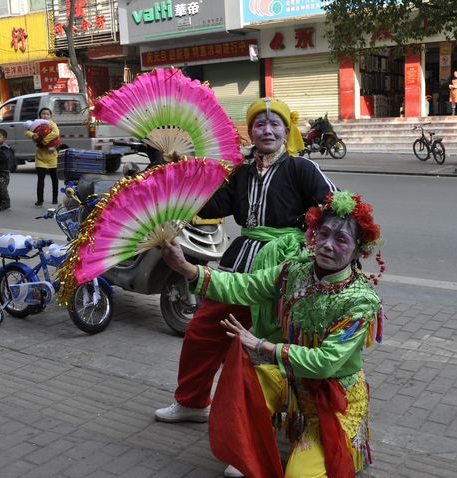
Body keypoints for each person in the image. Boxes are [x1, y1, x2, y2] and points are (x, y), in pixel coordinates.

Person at [154, 97, 336, 471]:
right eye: (259, 124)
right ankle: (192, 402)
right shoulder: (239, 172)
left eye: (274, 124)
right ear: (250, 132)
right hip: (240, 261)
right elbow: (210, 206)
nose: (267, 130)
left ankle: (253, 440)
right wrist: (184, 174)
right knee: (204, 330)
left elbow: (335, 207)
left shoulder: (302, 168)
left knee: (260, 354)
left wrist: (313, 253)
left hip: (284, 268)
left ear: (287, 130)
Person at [160, 190, 384, 477]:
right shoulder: (294, 271)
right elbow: (245, 286)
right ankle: (249, 450)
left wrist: (263, 346)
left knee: (298, 475)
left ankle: (343, 442)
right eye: (324, 234)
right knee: (247, 377)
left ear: (358, 250)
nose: (328, 245)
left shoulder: (361, 301)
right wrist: (187, 269)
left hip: (334, 398)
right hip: (294, 383)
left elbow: (326, 362)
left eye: (341, 240)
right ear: (313, 234)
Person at [26, 107, 60, 207]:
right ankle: (40, 200)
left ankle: (55, 198)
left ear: (50, 116)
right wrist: (33, 135)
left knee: (54, 178)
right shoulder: (36, 123)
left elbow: (56, 133)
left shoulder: (52, 124)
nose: (45, 115)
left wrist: (44, 141)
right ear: (40, 115)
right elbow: (27, 132)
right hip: (40, 157)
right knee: (40, 179)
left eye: (47, 114)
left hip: (52, 156)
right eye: (43, 114)